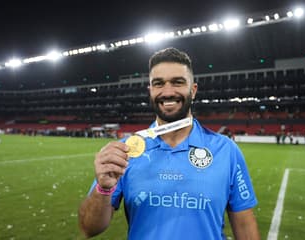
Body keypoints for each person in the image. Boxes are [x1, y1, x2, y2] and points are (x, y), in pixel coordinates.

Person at [78, 47, 260, 239]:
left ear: (193, 89)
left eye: (177, 82)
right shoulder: (126, 151)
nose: (168, 92)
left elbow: (245, 227)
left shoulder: (226, 150)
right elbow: (89, 228)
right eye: (158, 84)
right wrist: (103, 189)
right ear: (150, 90)